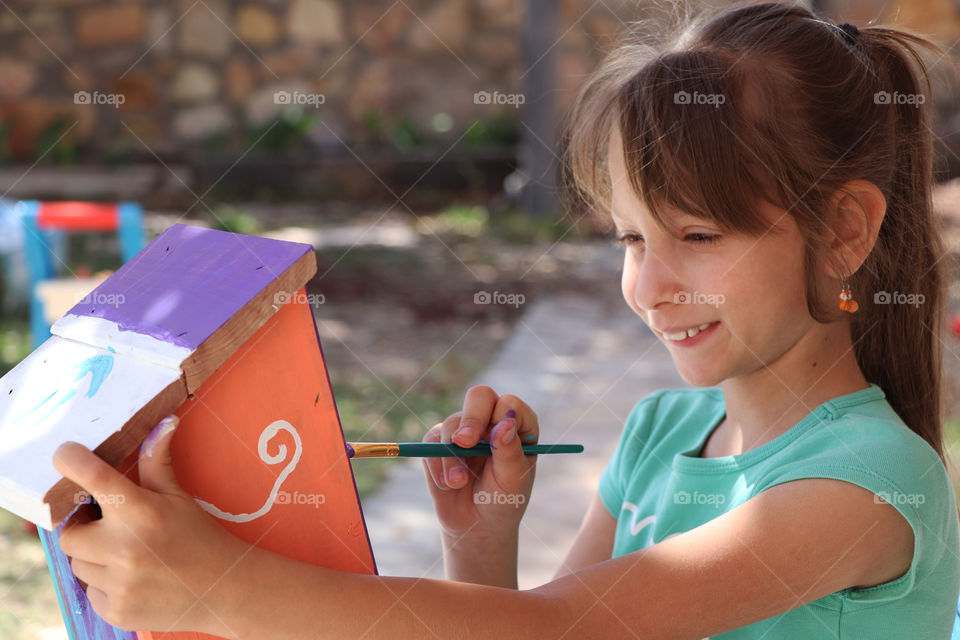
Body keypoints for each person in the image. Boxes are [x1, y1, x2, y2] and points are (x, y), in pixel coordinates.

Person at [52, 2, 960, 637]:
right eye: (631, 239)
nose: (647, 286)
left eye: (698, 233)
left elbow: (556, 632)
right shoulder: (663, 433)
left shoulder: (867, 483)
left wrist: (220, 589)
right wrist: (480, 545)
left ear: (844, 231)